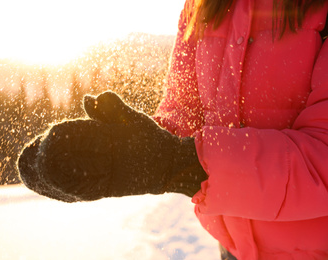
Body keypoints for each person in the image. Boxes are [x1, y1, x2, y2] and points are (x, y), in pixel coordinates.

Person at [17, 0, 328, 259]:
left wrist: (179, 163)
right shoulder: (202, 6)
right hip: (233, 248)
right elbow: (183, 110)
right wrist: (132, 144)